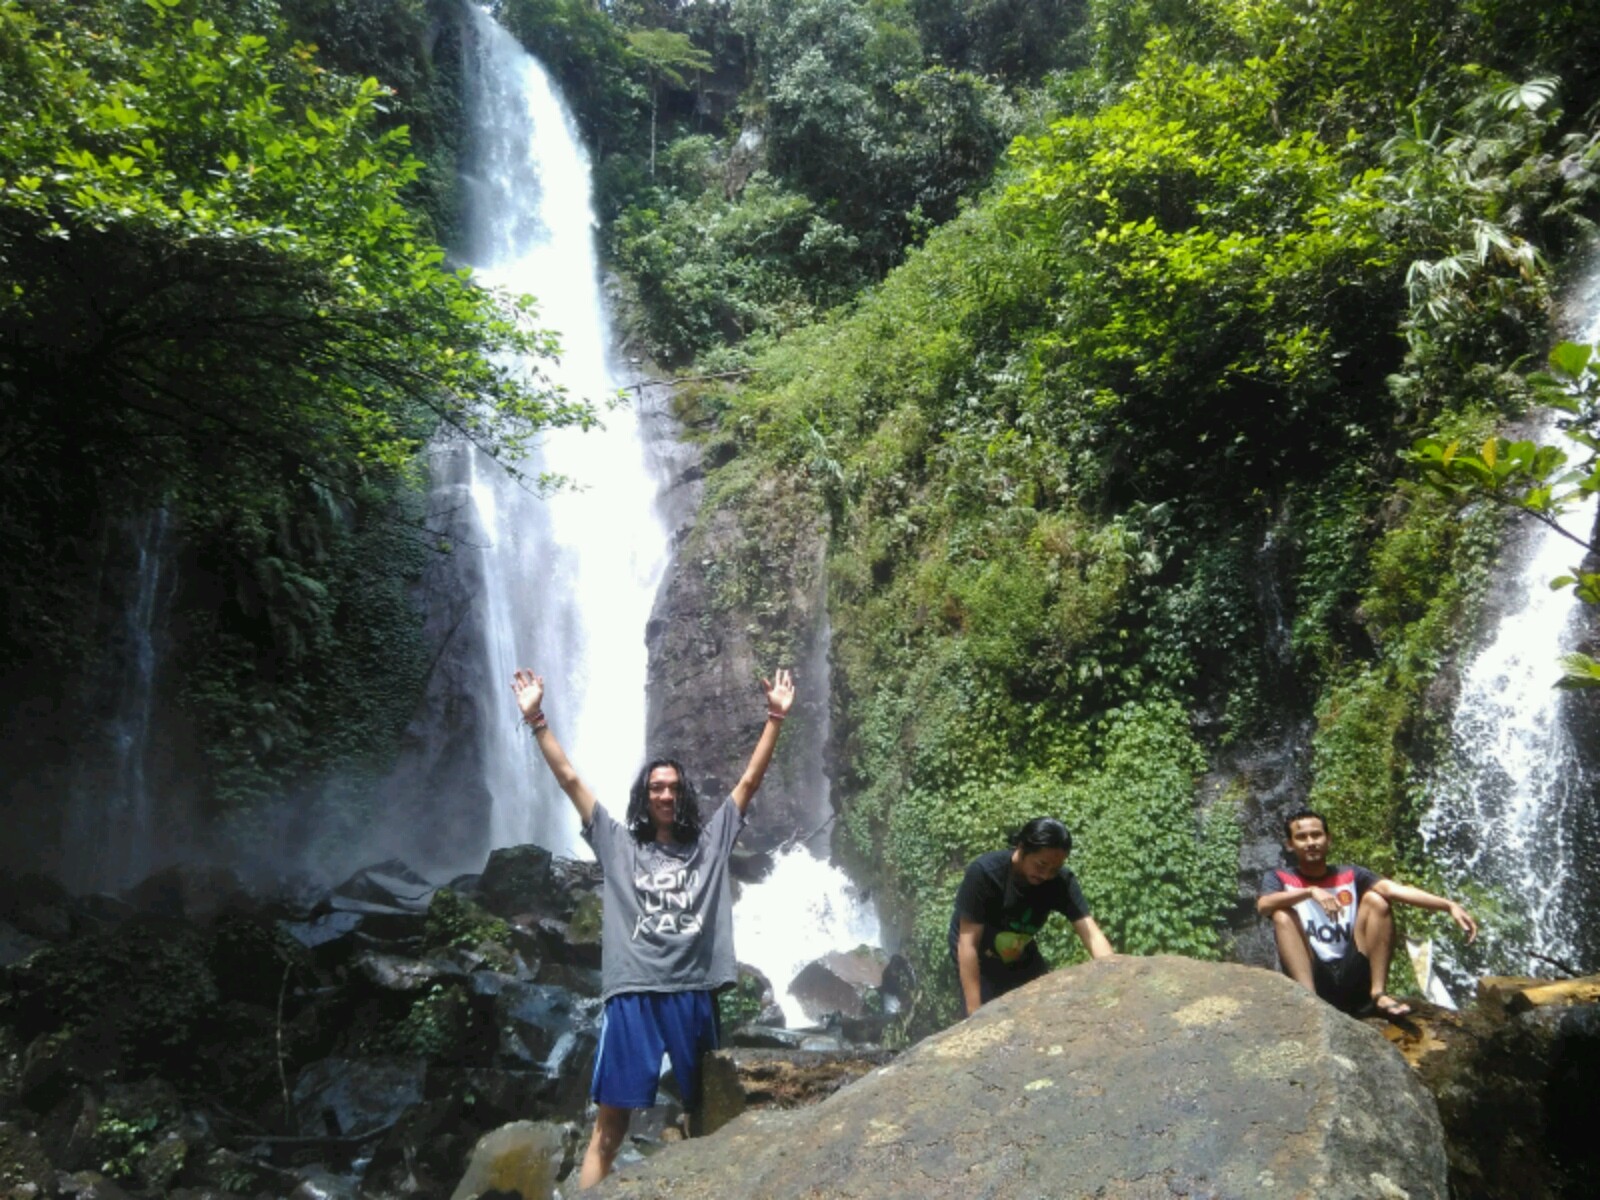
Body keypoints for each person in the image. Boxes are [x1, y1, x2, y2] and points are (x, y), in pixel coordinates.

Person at [511, 666, 795, 1188]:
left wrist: (775, 716)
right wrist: (536, 719)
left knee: (707, 1118)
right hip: (635, 993)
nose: (664, 795)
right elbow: (571, 779)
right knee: (609, 1127)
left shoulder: (709, 845)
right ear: (644, 798)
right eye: (655, 788)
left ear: (682, 796)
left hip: (692, 993)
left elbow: (749, 782)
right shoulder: (619, 846)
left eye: (672, 788)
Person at [1258, 807, 1478, 1018]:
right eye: (1302, 837)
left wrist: (1448, 905)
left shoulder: (1352, 874)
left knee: (1377, 901)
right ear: (1289, 844)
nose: (1311, 843)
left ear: (1328, 839)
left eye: (1316, 835)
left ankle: (1378, 993)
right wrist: (1309, 892)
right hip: (1315, 973)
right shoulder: (1279, 878)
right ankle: (1309, 1000)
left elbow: (1394, 889)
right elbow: (1264, 905)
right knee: (1281, 914)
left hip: (1353, 971)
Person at [948, 817, 1115, 1016]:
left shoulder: (1060, 882)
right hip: (979, 957)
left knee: (1046, 1009)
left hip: (1018, 952)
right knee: (987, 1016)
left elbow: (1092, 935)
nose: (1046, 875)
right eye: (1041, 865)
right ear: (1022, 847)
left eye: (1054, 869)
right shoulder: (986, 874)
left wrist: (1116, 978)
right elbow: (968, 944)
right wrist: (974, 1013)